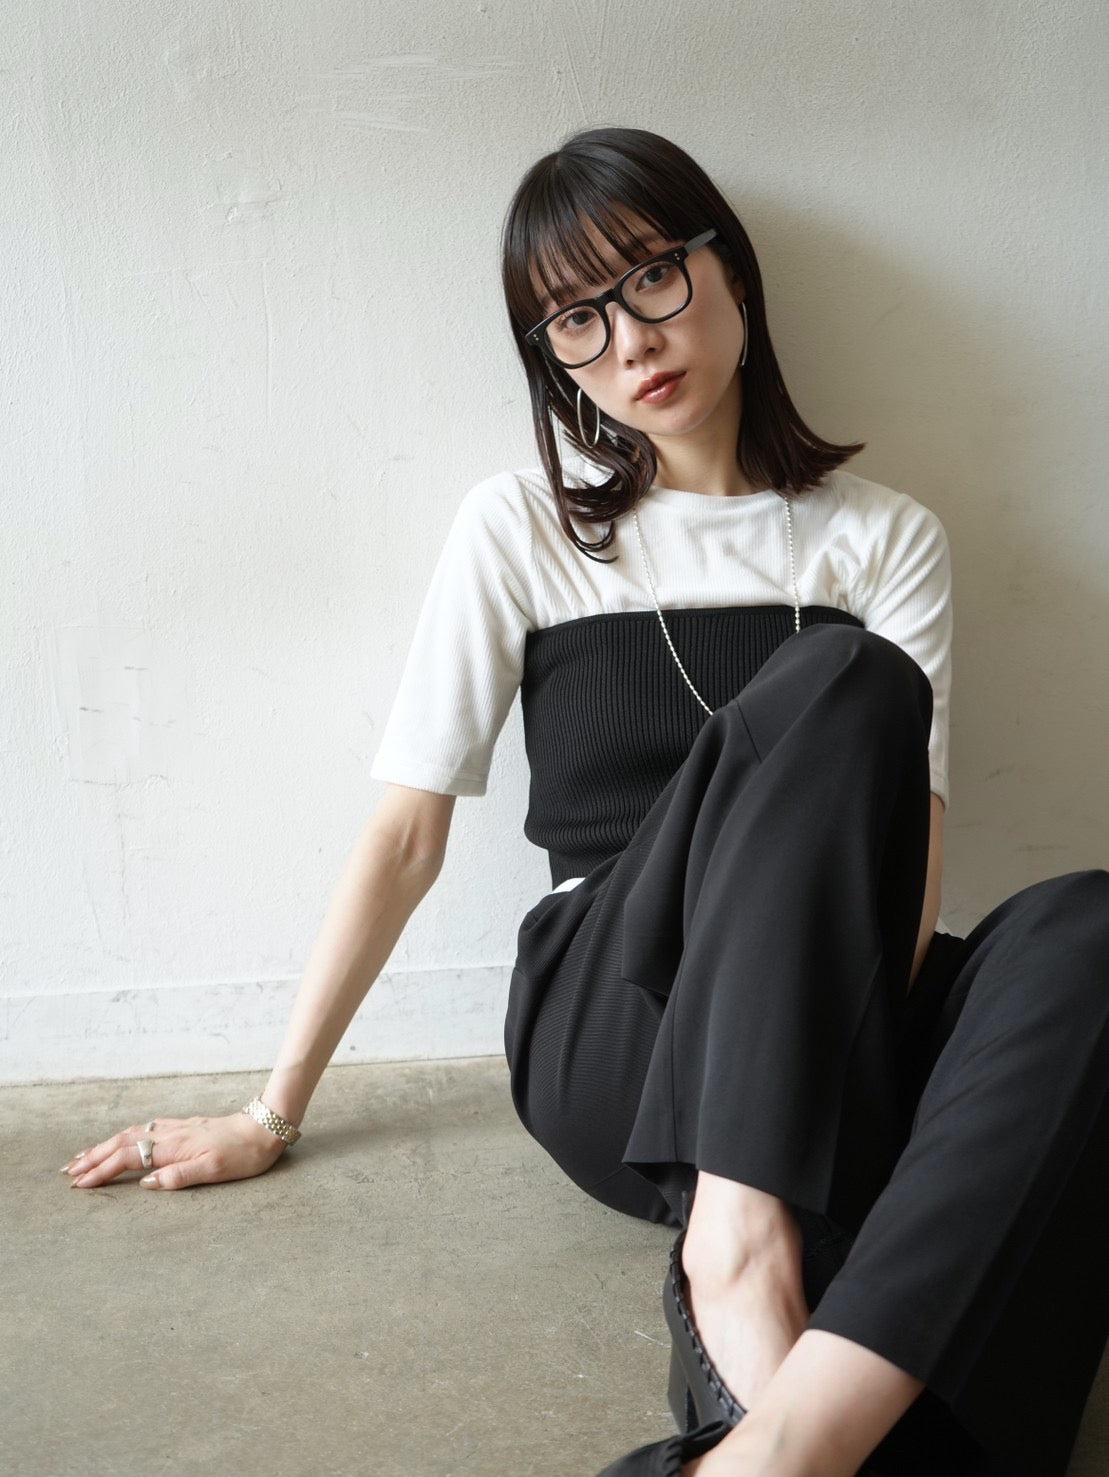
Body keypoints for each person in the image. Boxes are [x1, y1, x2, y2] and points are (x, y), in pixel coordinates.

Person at [60, 128, 1107, 1477]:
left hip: (818, 1009)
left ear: (731, 271)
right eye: (576, 319)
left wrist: (851, 1073)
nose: (629, 341)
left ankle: (785, 1442)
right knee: (843, 678)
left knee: (1083, 929)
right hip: (617, 1016)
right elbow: (406, 835)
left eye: (654, 276)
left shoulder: (883, 535)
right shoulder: (523, 528)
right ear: (551, 356)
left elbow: (913, 867)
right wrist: (270, 1112)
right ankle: (736, 1247)